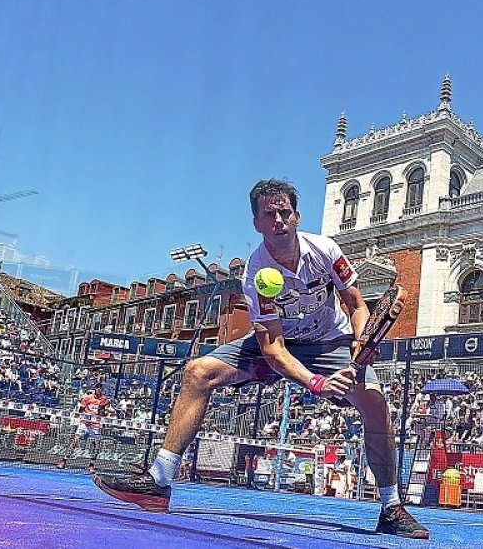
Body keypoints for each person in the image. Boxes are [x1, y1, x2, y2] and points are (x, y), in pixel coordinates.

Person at [94, 179, 429, 539]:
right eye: (269, 214)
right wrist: (316, 383)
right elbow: (273, 350)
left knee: (376, 405)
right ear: (257, 223)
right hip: (278, 343)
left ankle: (391, 508)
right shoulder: (256, 274)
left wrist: (362, 339)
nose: (279, 220)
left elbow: (357, 305)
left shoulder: (327, 250)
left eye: (285, 212)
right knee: (198, 372)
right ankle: (159, 481)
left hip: (331, 340)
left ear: (297, 216)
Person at [57, 384, 110, 473]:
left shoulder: (104, 400)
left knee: (96, 445)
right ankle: (63, 461)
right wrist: (88, 414)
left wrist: (102, 412)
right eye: (98, 388)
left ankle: (91, 465)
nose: (99, 390)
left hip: (95, 425)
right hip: (84, 423)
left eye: (101, 388)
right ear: (95, 389)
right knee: (75, 441)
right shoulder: (87, 398)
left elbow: (106, 412)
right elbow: (80, 410)